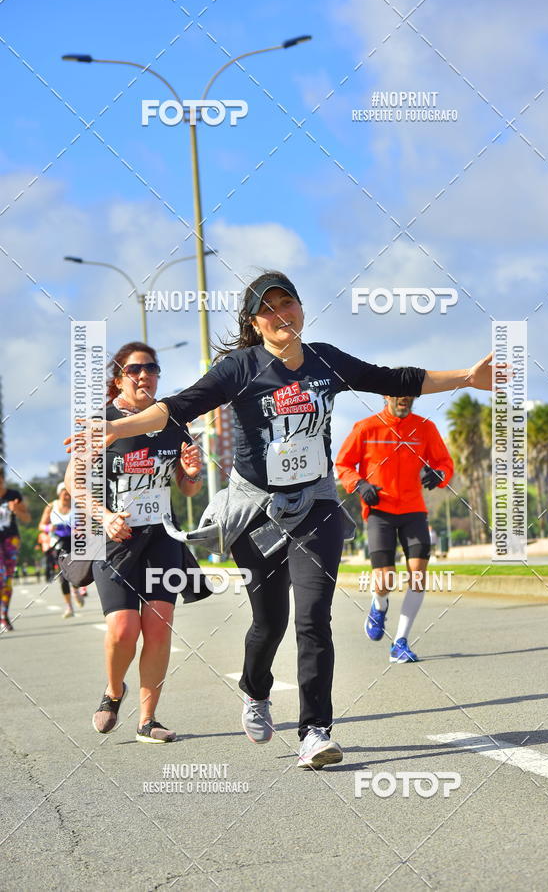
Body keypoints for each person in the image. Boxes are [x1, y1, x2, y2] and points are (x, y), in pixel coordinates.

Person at [70, 271, 492, 769]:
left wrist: (467, 376)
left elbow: (394, 377)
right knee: (269, 623)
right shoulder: (239, 367)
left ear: (301, 308)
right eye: (268, 309)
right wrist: (116, 426)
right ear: (256, 322)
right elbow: (177, 408)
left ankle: (315, 731)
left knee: (315, 617)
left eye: (286, 302)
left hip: (316, 506)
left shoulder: (326, 360)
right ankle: (255, 689)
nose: (280, 314)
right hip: (256, 512)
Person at [65, 342, 202, 743]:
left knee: (158, 629)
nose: (144, 376)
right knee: (124, 630)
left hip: (162, 537)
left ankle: (148, 720)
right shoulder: (102, 422)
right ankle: (113, 691)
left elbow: (187, 489)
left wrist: (191, 474)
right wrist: (104, 517)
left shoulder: (172, 423)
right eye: (134, 370)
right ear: (119, 377)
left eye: (151, 368)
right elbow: (75, 482)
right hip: (115, 539)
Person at [336, 395, 453, 663]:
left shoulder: (425, 428)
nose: (405, 400)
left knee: (418, 575)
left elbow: (445, 463)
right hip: (380, 511)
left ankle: (400, 642)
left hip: (413, 509)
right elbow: (342, 464)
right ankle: (379, 605)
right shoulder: (366, 428)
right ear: (386, 397)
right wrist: (360, 485)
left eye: (410, 396)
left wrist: (439, 475)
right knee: (385, 578)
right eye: (399, 396)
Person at [39, 483, 85, 618]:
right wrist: (49, 529)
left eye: (69, 493)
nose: (66, 495)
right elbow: (41, 525)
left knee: (75, 572)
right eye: (64, 493)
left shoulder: (77, 505)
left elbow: (87, 522)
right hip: (58, 543)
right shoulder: (51, 506)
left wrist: (80, 528)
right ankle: (69, 607)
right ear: (59, 493)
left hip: (75, 542)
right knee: (62, 575)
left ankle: (76, 590)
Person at [0, 465, 31, 631]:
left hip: (11, 539)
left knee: (8, 579)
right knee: (1, 577)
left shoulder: (14, 495)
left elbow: (27, 518)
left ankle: (4, 614)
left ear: (3, 479)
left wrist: (16, 510)